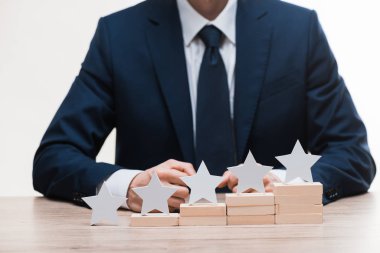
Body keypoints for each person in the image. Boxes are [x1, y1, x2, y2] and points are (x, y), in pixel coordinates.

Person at [33, 0, 376, 212]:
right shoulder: (119, 35)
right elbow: (53, 158)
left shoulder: (299, 31)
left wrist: (290, 183)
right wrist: (131, 186)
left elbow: (353, 155)